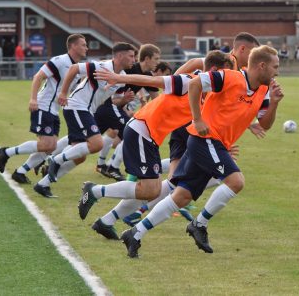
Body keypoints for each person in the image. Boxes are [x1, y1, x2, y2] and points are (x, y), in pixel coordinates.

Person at [119, 45, 284, 258]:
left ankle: (135, 233)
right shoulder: (229, 77)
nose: (277, 72)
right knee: (236, 181)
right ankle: (199, 224)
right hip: (205, 140)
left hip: (215, 145)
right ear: (261, 65)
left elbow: (265, 124)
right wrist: (197, 119)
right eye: (275, 67)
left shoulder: (263, 89)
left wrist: (275, 104)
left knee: (181, 196)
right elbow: (196, 83)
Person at [76, 50, 234, 241]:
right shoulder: (188, 81)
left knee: (149, 189)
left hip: (150, 135)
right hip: (142, 129)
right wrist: (117, 77)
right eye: (226, 73)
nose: (228, 79)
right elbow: (152, 81)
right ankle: (94, 190)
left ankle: (106, 222)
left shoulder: (206, 94)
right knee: (151, 189)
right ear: (215, 70)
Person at [42, 42, 136, 197]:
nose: (134, 60)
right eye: (131, 56)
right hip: (76, 106)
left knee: (80, 157)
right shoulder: (101, 66)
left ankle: (43, 184)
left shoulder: (122, 78)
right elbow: (73, 68)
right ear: (119, 56)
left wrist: (124, 100)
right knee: (97, 143)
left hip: (87, 111)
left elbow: (112, 101)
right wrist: (63, 93)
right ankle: (55, 159)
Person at [0, 34, 88, 187]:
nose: (87, 48)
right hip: (43, 106)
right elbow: (38, 77)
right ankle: (6, 152)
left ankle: (20, 172)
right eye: (83, 44)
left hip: (54, 110)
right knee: (47, 145)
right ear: (73, 46)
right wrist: (33, 99)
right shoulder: (60, 61)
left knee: (50, 147)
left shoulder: (78, 69)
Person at [95, 44, 161, 181]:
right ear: (147, 58)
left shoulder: (147, 76)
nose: (158, 62)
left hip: (116, 107)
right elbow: (113, 97)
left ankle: (103, 165)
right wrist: (126, 107)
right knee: (131, 134)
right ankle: (111, 167)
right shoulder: (130, 70)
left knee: (89, 139)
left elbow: (157, 99)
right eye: (156, 59)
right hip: (106, 106)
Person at [177, 32, 259, 73]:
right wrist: (172, 81)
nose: (256, 58)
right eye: (253, 53)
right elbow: (194, 62)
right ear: (242, 49)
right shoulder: (223, 61)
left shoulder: (242, 71)